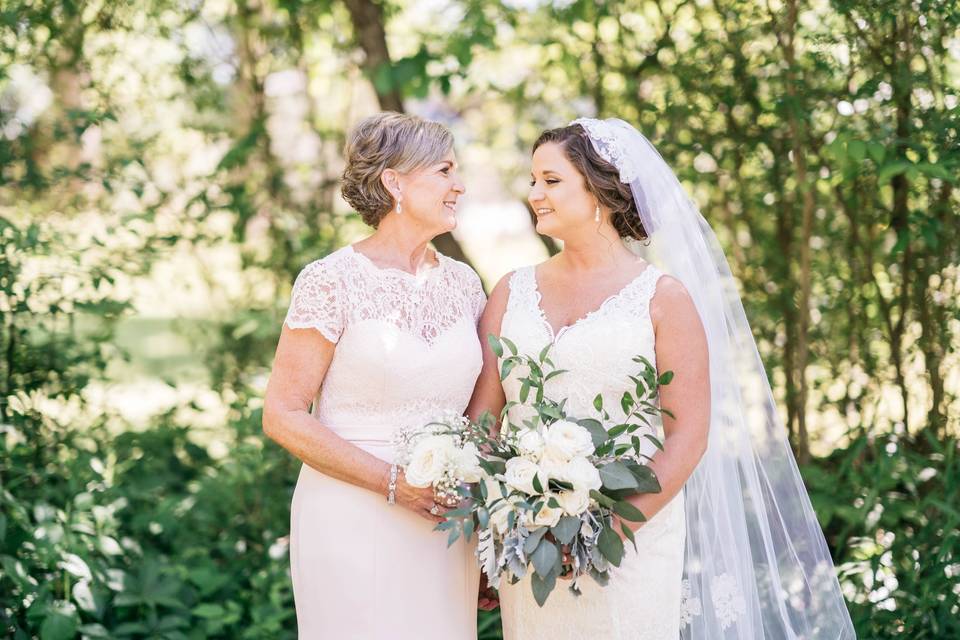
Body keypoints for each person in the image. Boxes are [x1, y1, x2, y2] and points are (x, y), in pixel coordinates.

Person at [467, 119, 855, 639]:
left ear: (600, 187)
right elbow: (483, 425)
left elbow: (688, 437)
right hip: (529, 537)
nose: (534, 193)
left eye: (551, 180)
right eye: (533, 180)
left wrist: (597, 535)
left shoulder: (662, 299)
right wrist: (491, 531)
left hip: (631, 538)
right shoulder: (510, 292)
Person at [263, 112, 484, 639]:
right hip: (348, 515)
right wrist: (391, 483)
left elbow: (482, 410)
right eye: (444, 170)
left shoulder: (467, 284)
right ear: (395, 181)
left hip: (443, 523)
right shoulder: (330, 281)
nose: (459, 186)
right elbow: (282, 414)